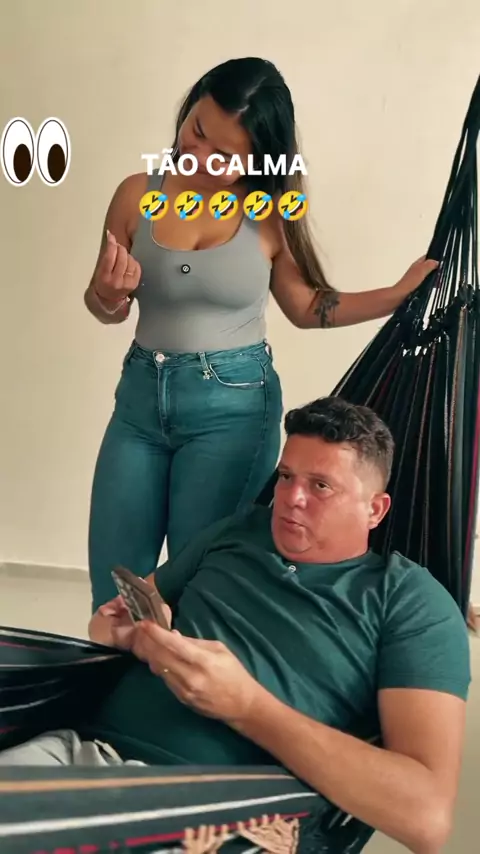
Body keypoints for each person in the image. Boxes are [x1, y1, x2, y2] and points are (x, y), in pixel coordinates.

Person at [0, 398, 469, 854]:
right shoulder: (238, 532)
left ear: (375, 510)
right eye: (286, 476)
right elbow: (123, 616)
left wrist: (247, 706)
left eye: (321, 486)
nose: (291, 498)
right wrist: (126, 634)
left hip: (211, 819)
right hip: (82, 758)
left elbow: (426, 819)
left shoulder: (409, 601)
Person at [84, 56, 439, 611]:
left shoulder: (270, 212)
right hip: (139, 403)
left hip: (232, 410)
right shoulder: (136, 194)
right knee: (114, 584)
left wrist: (395, 294)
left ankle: (184, 669)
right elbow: (103, 304)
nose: (200, 155)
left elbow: (307, 307)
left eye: (225, 156)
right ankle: (114, 667)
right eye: (197, 130)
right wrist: (108, 294)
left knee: (201, 582)